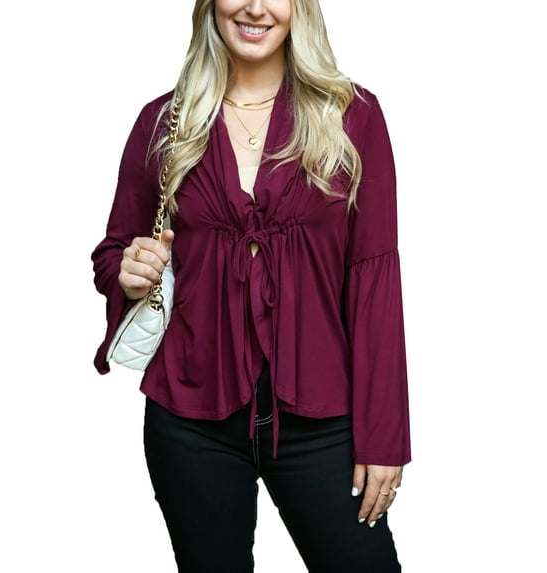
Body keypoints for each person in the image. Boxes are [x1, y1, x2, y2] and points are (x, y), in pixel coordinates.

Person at [92, 0, 411, 570]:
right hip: (192, 422)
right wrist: (130, 272)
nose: (256, 8)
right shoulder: (164, 122)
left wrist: (384, 436)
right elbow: (114, 250)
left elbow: (375, 279)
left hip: (324, 420)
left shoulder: (351, 116)